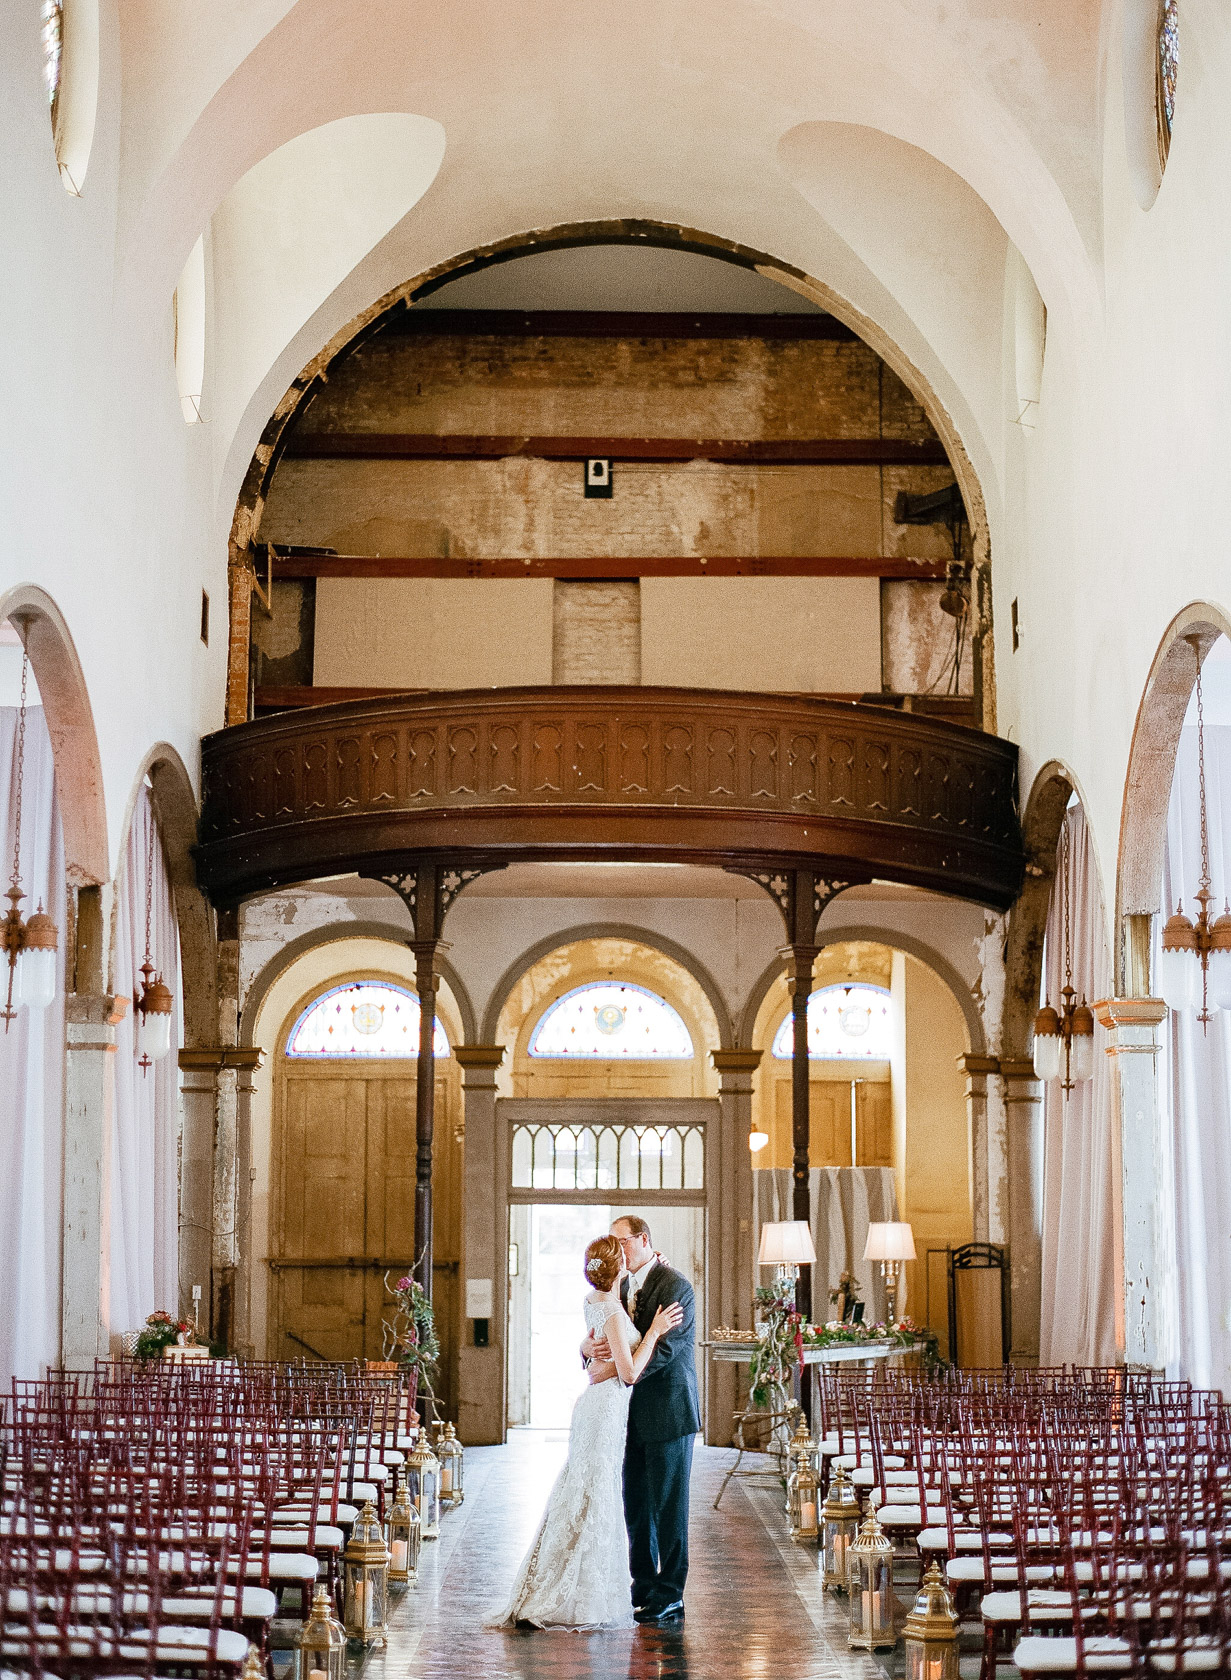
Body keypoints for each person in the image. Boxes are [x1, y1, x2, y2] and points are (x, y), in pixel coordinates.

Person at [492, 1233, 683, 1630]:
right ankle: (579, 1592)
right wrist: (651, 1333)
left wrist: (592, 1355)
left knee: (584, 1493)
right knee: (597, 1496)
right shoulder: (613, 1306)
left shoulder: (593, 1299)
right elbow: (629, 1372)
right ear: (617, 1269)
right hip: (605, 1411)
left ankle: (574, 1583)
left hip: (603, 1410)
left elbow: (600, 1347)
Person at [586, 1215, 700, 1626]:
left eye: (622, 1242)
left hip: (669, 1413)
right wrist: (592, 1355)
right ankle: (643, 1587)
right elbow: (604, 1335)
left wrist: (615, 1370)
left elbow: (667, 1352)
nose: (617, 1251)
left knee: (669, 1509)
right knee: (635, 1506)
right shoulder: (620, 1287)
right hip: (627, 1416)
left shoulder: (675, 1287)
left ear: (643, 1239)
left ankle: (670, 1595)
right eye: (611, 1244)